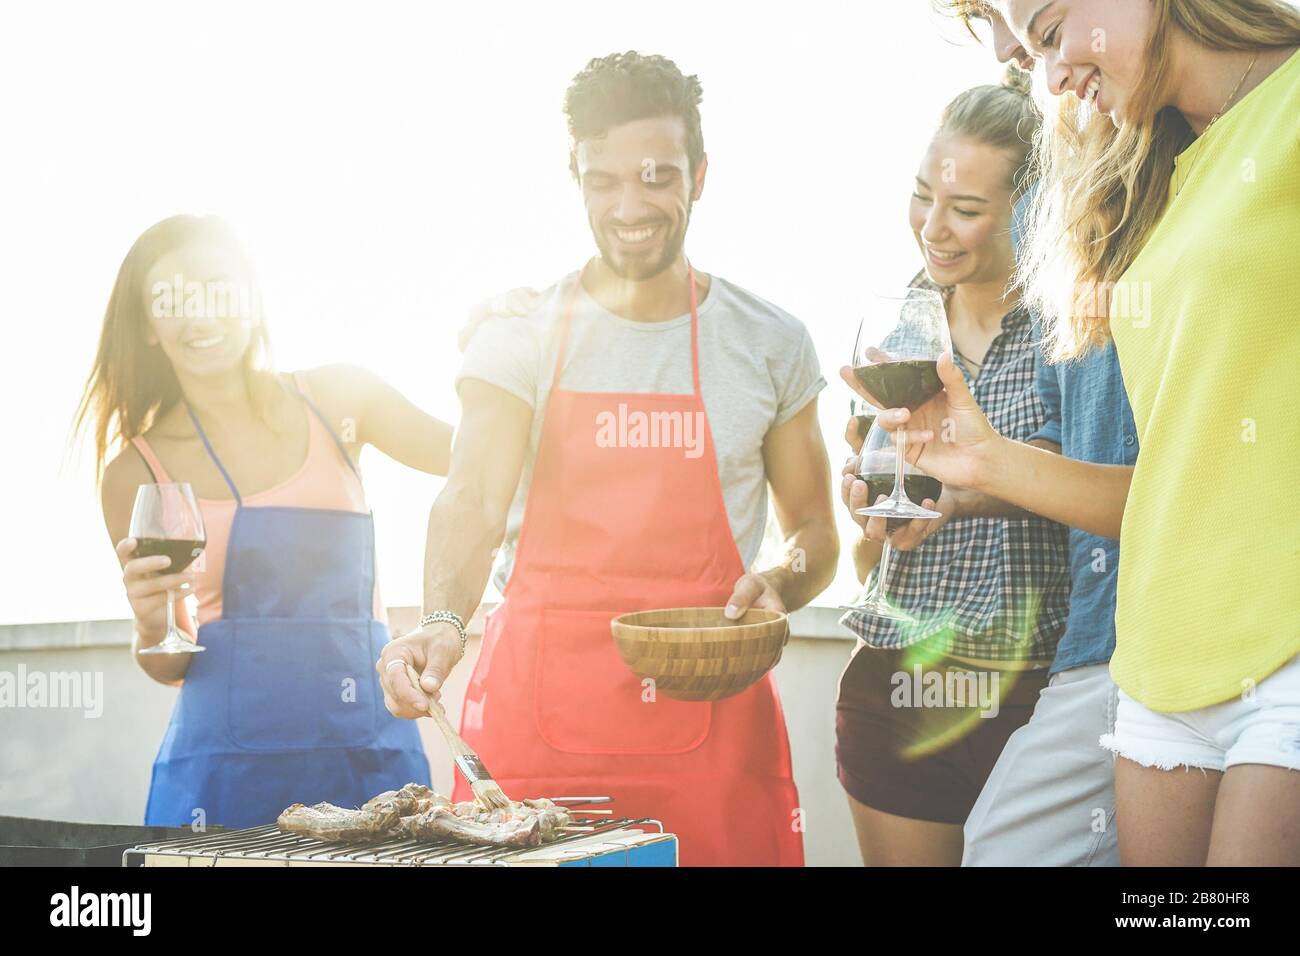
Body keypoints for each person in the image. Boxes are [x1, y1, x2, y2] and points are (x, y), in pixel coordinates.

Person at [854, 0, 1300, 865]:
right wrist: (981, 461)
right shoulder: (1162, 175)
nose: (1048, 75)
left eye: (1050, 32)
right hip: (1161, 661)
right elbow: (1170, 483)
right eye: (1029, 50)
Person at [377, 51, 838, 867]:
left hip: (713, 735)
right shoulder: (518, 333)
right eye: (605, 180)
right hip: (538, 736)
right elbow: (471, 498)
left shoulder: (769, 343)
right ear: (577, 181)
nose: (632, 206)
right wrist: (442, 624)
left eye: (658, 176)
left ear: (700, 176)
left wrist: (785, 581)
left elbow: (812, 530)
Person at [76, 214, 454, 828]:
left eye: (218, 288)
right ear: (147, 324)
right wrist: (151, 623)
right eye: (174, 297)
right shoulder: (132, 473)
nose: (201, 314)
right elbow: (170, 659)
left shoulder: (340, 399)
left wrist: (502, 353)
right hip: (220, 782)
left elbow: (480, 466)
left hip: (373, 762)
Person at [834, 71, 1072, 866]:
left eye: (966, 210)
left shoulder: (1075, 323)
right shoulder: (906, 313)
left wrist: (971, 489)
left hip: (1038, 693)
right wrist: (869, 502)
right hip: (899, 683)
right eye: (923, 197)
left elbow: (1098, 478)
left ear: (1030, 210)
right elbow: (881, 521)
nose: (933, 228)